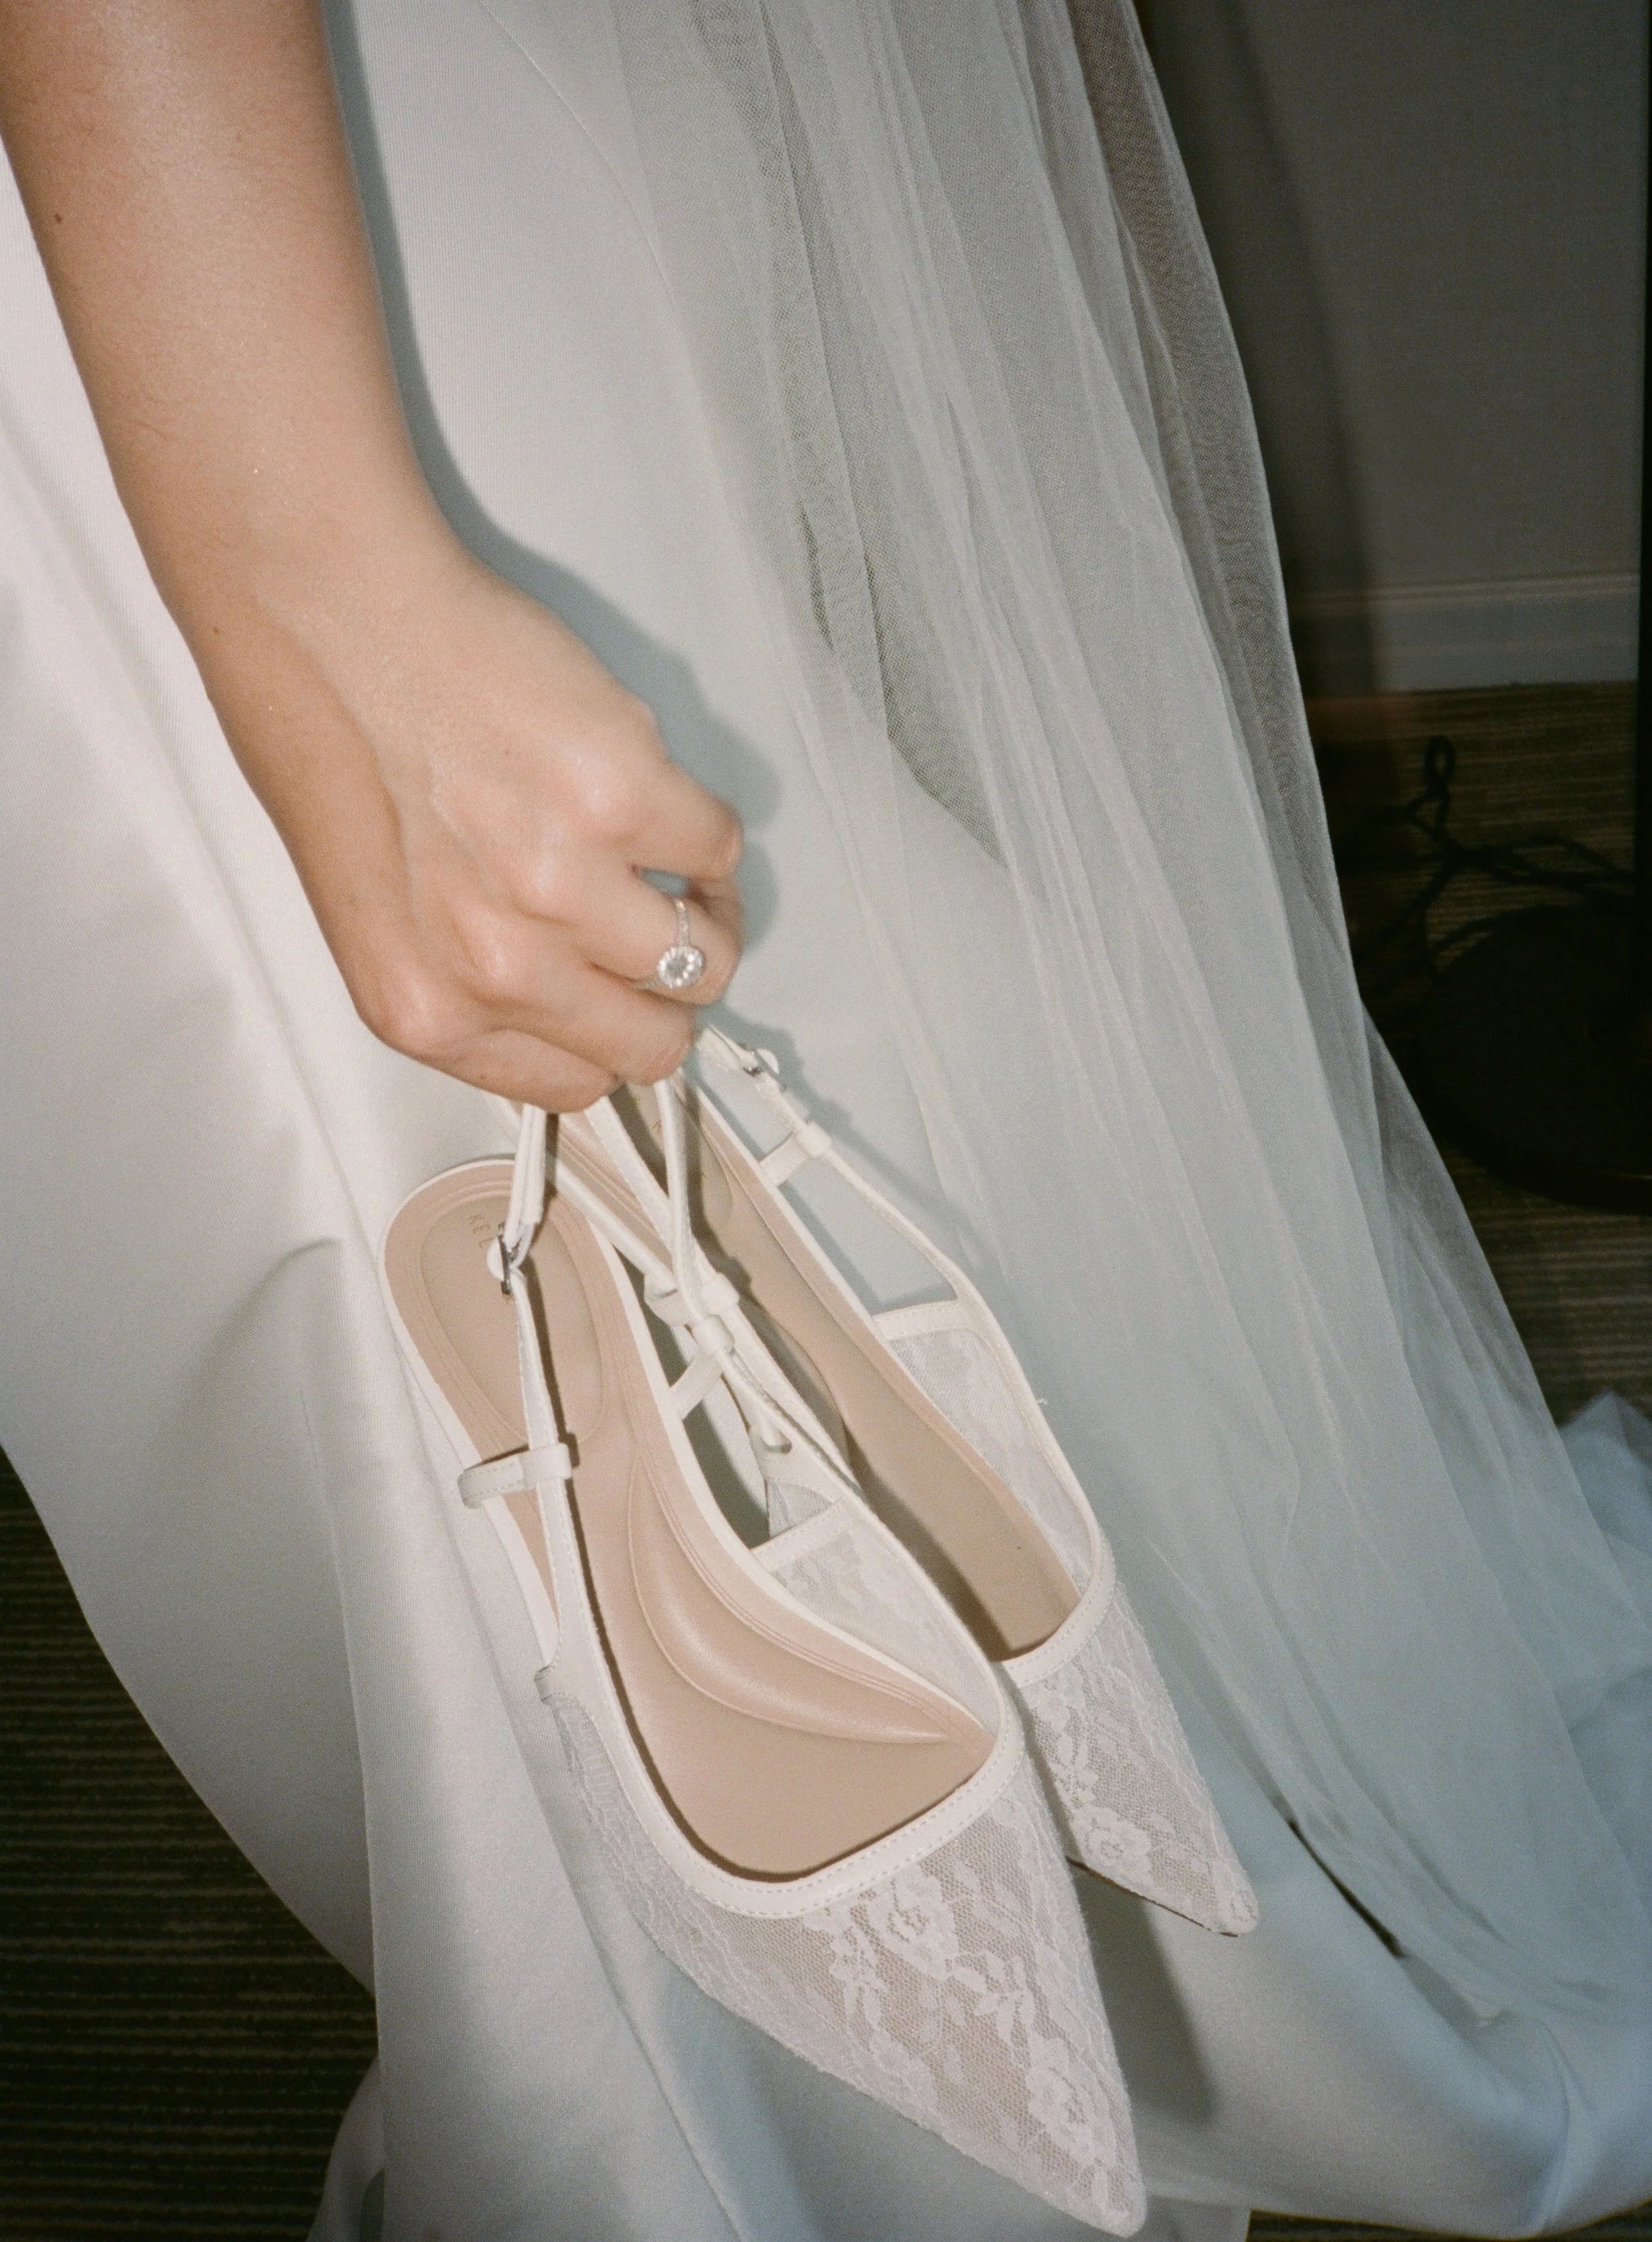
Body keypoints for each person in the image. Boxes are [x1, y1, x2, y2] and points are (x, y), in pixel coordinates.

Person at [2, 5, 1648, 2237]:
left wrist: (313, 584)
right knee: (728, 947)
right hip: (430, 118)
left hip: (175, 197)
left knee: (382, 1147)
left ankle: (759, 2117)